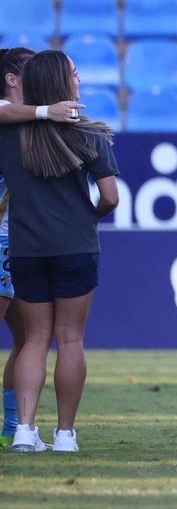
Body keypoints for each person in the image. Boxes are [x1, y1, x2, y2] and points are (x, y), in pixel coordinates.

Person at [0, 51, 119, 453]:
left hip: (25, 247)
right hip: (75, 246)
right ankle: (65, 435)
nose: (79, 80)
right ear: (61, 83)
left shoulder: (8, 132)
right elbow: (110, 198)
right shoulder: (90, 134)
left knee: (33, 340)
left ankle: (24, 430)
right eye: (74, 74)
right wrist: (90, 215)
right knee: (70, 340)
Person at [0, 48, 84, 448]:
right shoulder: (18, 120)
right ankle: (36, 430)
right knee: (42, 338)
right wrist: (45, 111)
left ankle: (15, 428)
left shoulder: (23, 125)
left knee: (25, 340)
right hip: (10, 240)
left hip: (20, 241)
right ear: (12, 79)